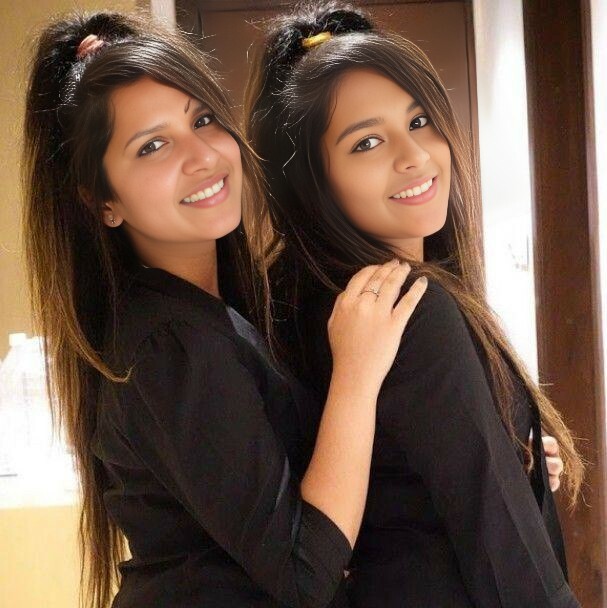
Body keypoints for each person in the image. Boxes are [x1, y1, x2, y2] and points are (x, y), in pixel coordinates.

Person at [22, 12, 429, 608]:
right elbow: (303, 575)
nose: (202, 156)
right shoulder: (173, 341)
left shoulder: (216, 313)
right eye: (152, 145)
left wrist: (481, 457)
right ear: (103, 201)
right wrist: (356, 374)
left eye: (203, 120)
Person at [245, 2, 584, 606]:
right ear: (314, 180)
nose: (415, 155)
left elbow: (393, 481)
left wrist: (511, 448)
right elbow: (509, 563)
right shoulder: (406, 308)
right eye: (368, 142)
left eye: (420, 120)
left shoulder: (306, 297)